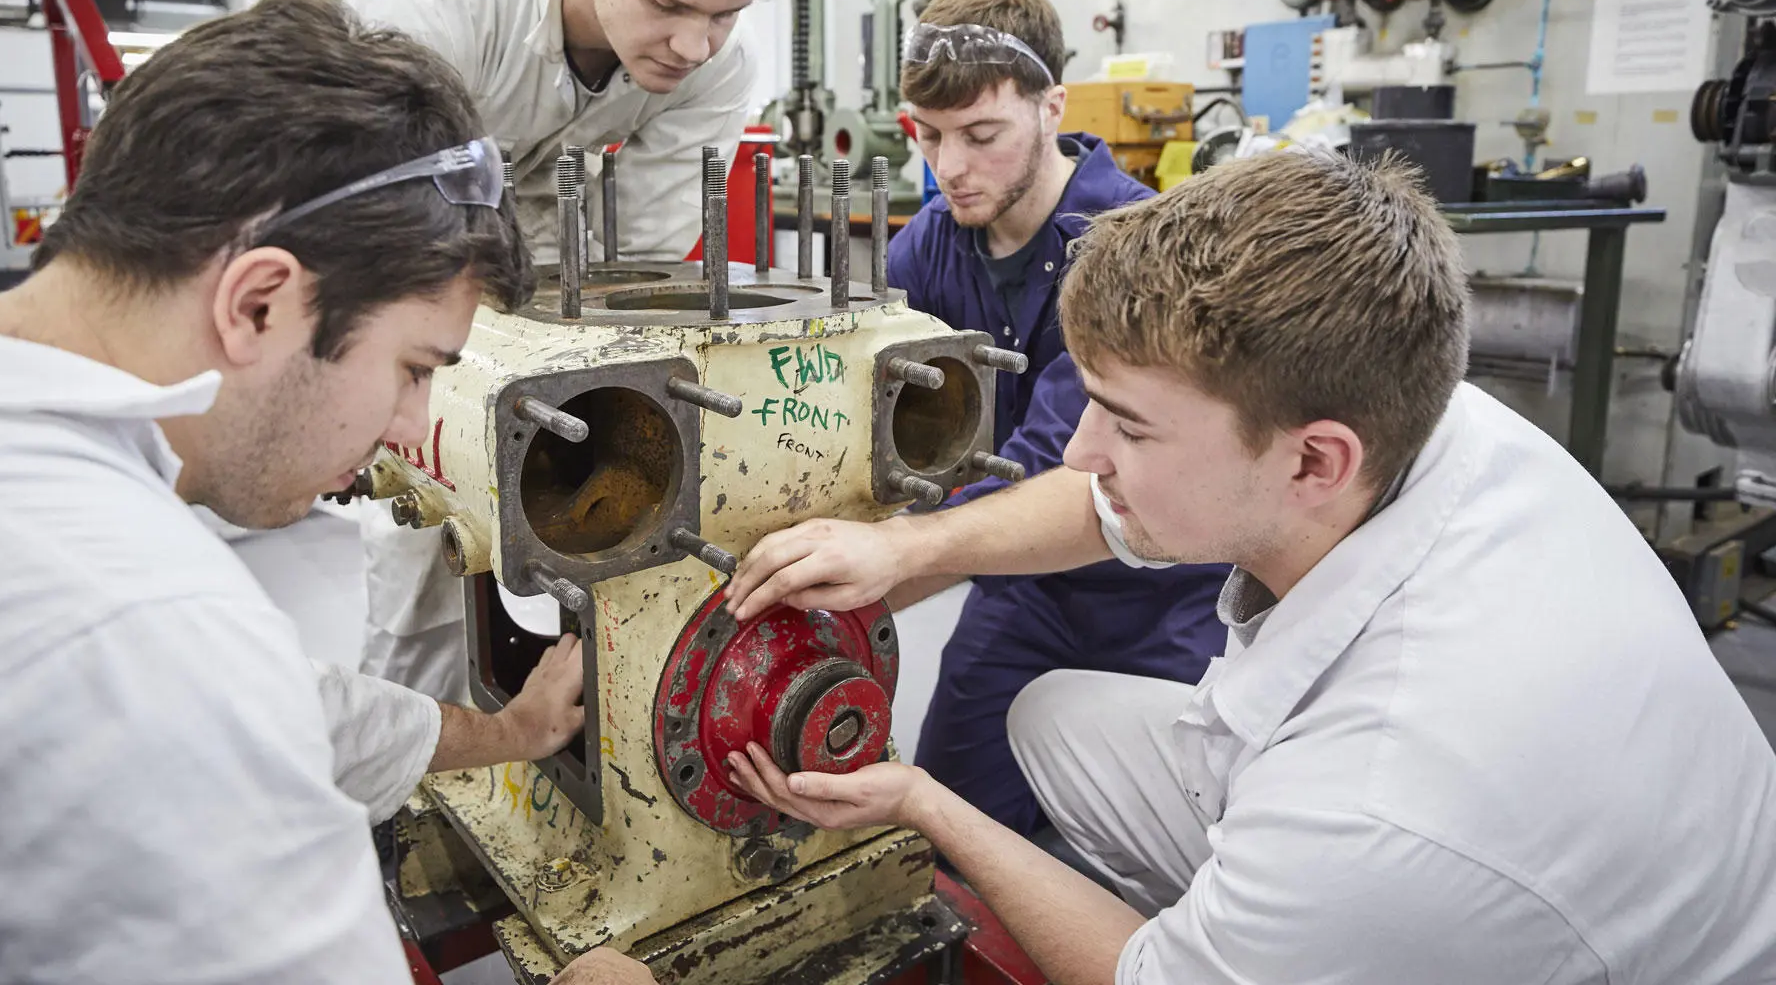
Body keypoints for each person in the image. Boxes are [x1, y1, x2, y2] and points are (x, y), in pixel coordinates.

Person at [722, 149, 1776, 983]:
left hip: (1511, 901)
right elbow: (1109, 509)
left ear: (1315, 459)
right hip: (1526, 841)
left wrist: (924, 802)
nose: (1083, 452)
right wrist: (906, 547)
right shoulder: (1421, 418)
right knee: (1053, 718)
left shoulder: (1379, 806)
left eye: (1129, 427)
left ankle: (1258, 947)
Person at [0, 0, 649, 984]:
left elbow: (290, 711)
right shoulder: (146, 638)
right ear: (260, 301)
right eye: (414, 368)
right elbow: (197, 687)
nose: (411, 426)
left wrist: (507, 732)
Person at [347, 0, 791, 706]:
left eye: (724, 14)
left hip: (557, 235)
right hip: (406, 237)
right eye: (665, 4)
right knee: (423, 526)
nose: (695, 46)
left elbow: (638, 276)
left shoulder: (719, 65)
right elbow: (376, 229)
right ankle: (413, 780)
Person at [882, 0, 1225, 833]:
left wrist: (882, 565)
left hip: (1160, 592)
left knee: (1179, 853)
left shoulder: (1136, 248)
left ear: (1051, 107)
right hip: (1022, 586)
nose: (949, 167)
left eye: (981, 134)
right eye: (927, 136)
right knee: (952, 831)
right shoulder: (927, 247)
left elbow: (1058, 464)